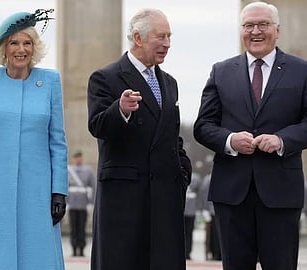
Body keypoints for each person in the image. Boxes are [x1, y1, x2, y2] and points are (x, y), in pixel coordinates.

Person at [193, 2, 307, 270]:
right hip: (231, 193)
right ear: (241, 30)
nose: (255, 31)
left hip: (280, 192)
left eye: (263, 25)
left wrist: (282, 140)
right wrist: (230, 140)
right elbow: (203, 126)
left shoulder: (302, 70)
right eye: (248, 25)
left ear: (277, 30)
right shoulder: (221, 71)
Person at [0, 9, 68, 270]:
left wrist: (59, 191)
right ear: (4, 49)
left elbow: (58, 142)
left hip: (38, 189)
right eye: (14, 43)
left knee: (37, 256)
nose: (21, 49)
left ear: (34, 47)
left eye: (27, 43)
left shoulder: (50, 81)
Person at [87, 8, 192, 270]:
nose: (167, 43)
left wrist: (183, 171)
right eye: (161, 36)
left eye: (169, 36)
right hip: (124, 198)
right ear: (138, 37)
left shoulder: (170, 83)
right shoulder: (105, 77)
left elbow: (171, 134)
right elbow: (97, 125)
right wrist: (119, 110)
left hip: (165, 196)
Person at [67, 150, 96, 257]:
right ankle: (74, 248)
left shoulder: (88, 171)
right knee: (73, 227)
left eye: (80, 157)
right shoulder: (69, 171)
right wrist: (66, 202)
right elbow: (66, 187)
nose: (78, 160)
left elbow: (93, 186)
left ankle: (82, 248)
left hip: (83, 203)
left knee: (82, 227)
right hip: (72, 203)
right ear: (74, 159)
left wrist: (91, 202)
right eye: (76, 158)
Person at [199, 174, 221, 261]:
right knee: (214, 236)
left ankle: (220, 254)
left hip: (221, 209)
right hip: (212, 210)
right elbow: (204, 195)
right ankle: (215, 253)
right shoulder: (208, 179)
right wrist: (205, 209)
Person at [184, 172, 202, 260]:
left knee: (189, 233)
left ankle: (187, 252)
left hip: (191, 211)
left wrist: (199, 209)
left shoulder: (197, 179)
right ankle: (184, 251)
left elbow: (200, 195)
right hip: (184, 210)